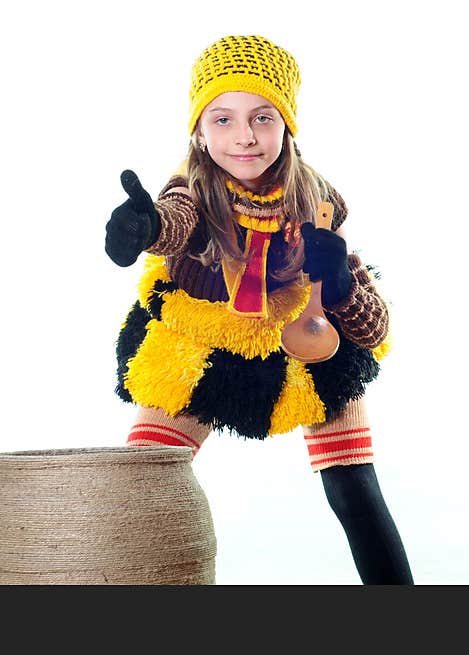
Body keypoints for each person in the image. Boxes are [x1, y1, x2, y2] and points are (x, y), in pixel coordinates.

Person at [105, 35, 413, 584]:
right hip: (199, 344)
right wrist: (147, 228)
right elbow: (172, 220)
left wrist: (340, 285)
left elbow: (374, 327)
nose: (244, 136)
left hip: (300, 334)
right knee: (138, 486)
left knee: (354, 487)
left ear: (287, 124)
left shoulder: (318, 199)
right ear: (198, 130)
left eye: (262, 117)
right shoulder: (190, 191)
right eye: (222, 119)